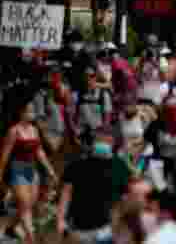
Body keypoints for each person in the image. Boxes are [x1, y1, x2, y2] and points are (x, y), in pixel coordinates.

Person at [0, 94, 59, 243]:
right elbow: (5, 155)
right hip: (18, 169)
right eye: (29, 111)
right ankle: (30, 239)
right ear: (21, 113)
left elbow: (39, 152)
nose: (32, 113)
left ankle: (6, 225)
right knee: (25, 205)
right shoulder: (14, 131)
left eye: (33, 110)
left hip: (32, 169)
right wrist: (0, 175)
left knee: (28, 205)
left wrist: (50, 169)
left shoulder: (34, 129)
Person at [57, 126, 132, 242]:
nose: (102, 143)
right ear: (92, 142)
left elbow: (125, 198)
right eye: (99, 140)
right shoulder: (77, 165)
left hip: (108, 228)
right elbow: (66, 193)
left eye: (107, 141)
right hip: (79, 228)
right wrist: (61, 220)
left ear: (114, 144)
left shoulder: (120, 167)